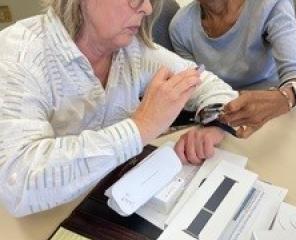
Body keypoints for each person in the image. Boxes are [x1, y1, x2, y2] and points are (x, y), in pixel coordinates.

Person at [0, 0, 237, 217]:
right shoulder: (17, 55)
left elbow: (207, 83)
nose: (148, 9)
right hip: (47, 218)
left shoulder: (133, 50)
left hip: (118, 201)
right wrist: (140, 127)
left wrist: (216, 124)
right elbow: (17, 184)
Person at [169, 0, 296, 138]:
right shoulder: (180, 26)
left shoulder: (268, 5)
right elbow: (195, 90)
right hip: (226, 120)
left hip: (277, 113)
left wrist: (285, 97)